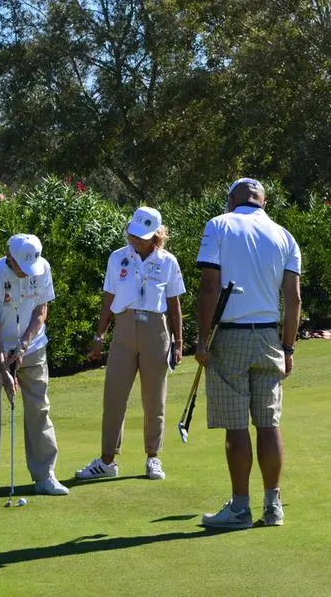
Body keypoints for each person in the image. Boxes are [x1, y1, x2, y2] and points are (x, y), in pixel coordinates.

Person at [195, 178, 301, 528]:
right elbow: (294, 299)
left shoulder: (219, 225)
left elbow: (210, 286)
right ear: (263, 202)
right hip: (270, 337)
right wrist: (288, 347)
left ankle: (240, 507)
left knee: (237, 426)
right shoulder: (284, 236)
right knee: (268, 423)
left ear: (232, 199)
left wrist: (202, 338)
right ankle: (273, 506)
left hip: (230, 336)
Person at [75, 206, 186, 481]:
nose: (135, 240)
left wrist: (179, 341)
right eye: (133, 234)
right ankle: (107, 460)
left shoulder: (168, 261)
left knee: (154, 400)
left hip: (156, 332)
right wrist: (99, 336)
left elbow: (174, 305)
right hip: (123, 331)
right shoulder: (117, 258)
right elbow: (108, 298)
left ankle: (153, 458)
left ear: (157, 236)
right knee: (114, 398)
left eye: (142, 236)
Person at [0, 233, 69, 499]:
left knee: (39, 408)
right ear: (10, 257)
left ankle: (45, 475)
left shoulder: (41, 268)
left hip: (32, 346)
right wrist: (5, 374)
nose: (26, 271)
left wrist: (23, 346)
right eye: (21, 265)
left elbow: (41, 311)